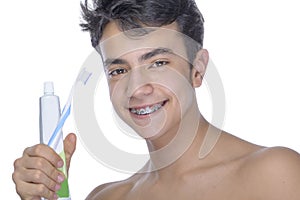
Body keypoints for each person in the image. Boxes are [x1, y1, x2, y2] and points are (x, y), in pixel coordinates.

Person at [12, 0, 300, 199]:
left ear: (197, 69)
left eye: (158, 63)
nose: (136, 88)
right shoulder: (106, 197)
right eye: (119, 70)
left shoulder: (275, 174)